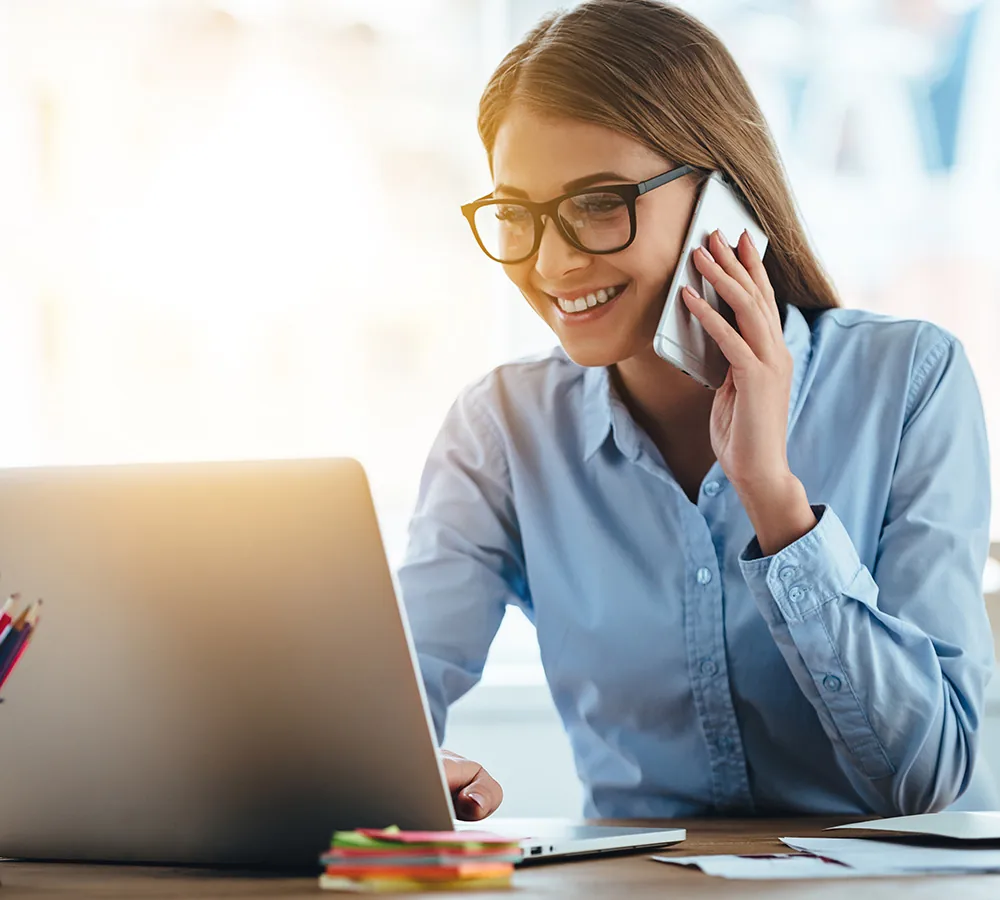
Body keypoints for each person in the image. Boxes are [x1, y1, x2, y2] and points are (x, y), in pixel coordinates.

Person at [398, 0, 996, 821]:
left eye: (600, 202)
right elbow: (396, 687)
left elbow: (932, 777)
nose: (553, 261)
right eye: (519, 214)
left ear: (725, 201)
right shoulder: (503, 427)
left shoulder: (910, 382)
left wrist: (776, 503)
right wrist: (399, 765)